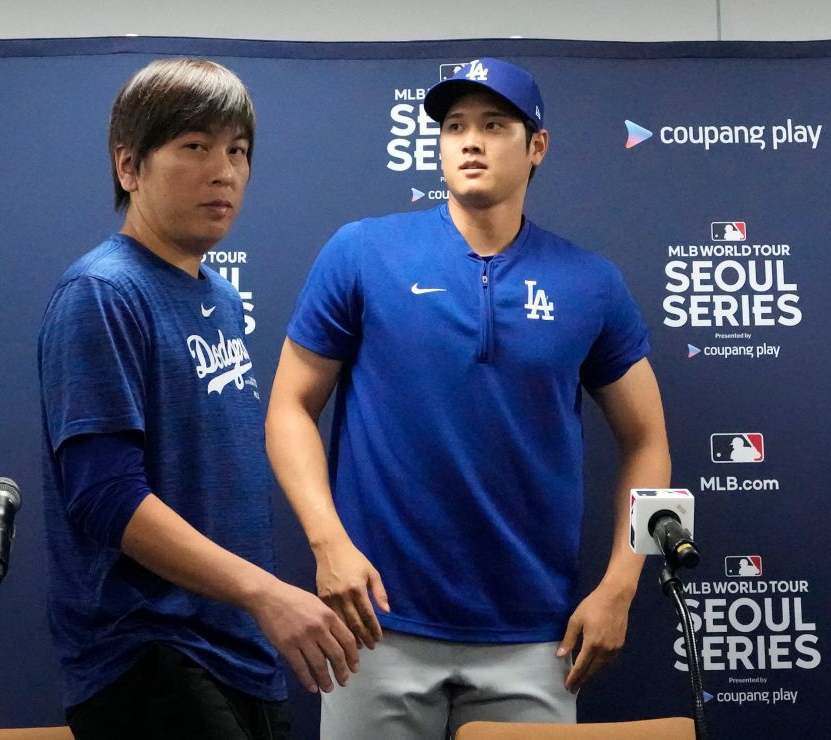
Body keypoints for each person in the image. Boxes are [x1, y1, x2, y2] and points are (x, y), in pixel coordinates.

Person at [266, 57, 671, 738]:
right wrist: (327, 541)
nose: (470, 141)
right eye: (454, 127)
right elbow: (288, 407)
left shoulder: (591, 282)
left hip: (533, 638)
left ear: (536, 145)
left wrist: (620, 587)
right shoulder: (363, 252)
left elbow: (649, 441)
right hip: (376, 628)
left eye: (493, 124)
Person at [38, 57, 357, 740]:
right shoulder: (103, 292)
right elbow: (103, 496)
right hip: (149, 653)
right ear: (129, 166)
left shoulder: (220, 296)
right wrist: (264, 591)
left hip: (239, 650)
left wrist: (253, 606)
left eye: (238, 151)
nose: (225, 172)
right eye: (195, 147)